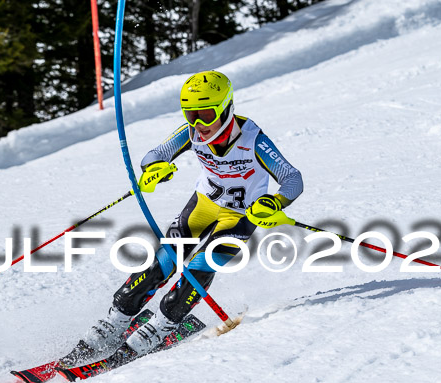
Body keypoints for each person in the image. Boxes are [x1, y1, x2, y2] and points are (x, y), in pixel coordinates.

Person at [60, 70, 303, 366]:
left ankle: (163, 326)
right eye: (191, 115)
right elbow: (155, 154)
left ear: (226, 108)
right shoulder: (190, 132)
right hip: (202, 206)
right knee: (162, 261)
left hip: (240, 217)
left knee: (199, 267)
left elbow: (292, 178)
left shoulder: (253, 139)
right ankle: (115, 322)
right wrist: (155, 169)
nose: (199, 124)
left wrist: (274, 202)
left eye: (206, 114)